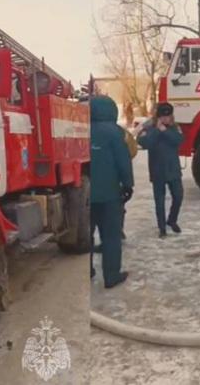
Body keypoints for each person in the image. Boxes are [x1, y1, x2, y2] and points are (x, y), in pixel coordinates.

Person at [89, 95, 133, 289]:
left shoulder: (81, 130)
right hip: (109, 195)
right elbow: (123, 162)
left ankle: (88, 270)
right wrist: (128, 185)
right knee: (111, 236)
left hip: (86, 195)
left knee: (87, 235)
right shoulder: (116, 133)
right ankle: (111, 275)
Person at [137, 102, 184, 238]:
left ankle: (172, 220)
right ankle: (162, 227)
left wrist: (165, 131)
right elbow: (144, 142)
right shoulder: (149, 127)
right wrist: (157, 130)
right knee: (159, 201)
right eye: (163, 116)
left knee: (178, 196)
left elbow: (179, 140)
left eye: (168, 116)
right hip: (157, 170)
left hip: (173, 169)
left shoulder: (175, 127)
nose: (165, 119)